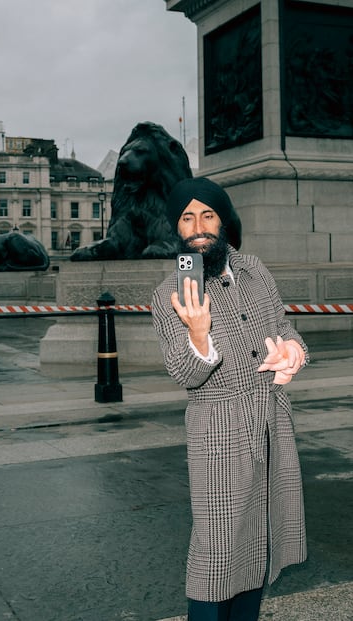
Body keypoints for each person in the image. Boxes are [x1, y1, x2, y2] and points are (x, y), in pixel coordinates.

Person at [152, 177, 308, 621]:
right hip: (218, 430)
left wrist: (293, 352)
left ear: (223, 220)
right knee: (216, 552)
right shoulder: (170, 293)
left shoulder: (256, 269)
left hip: (272, 421)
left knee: (259, 541)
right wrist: (198, 334)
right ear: (177, 230)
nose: (198, 226)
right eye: (187, 218)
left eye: (207, 215)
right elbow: (184, 373)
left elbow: (286, 325)